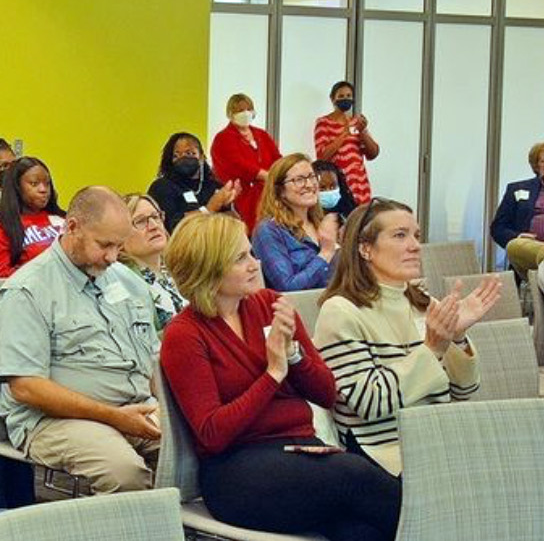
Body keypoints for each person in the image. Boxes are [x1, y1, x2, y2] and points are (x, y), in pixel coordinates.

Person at [160, 212, 401, 540]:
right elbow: (213, 433)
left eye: (251, 253)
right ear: (209, 269)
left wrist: (293, 356)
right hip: (237, 470)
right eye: (241, 258)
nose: (255, 264)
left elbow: (327, 393)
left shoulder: (271, 305)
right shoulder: (185, 335)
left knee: (361, 531)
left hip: (303, 452)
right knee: (357, 475)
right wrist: (273, 374)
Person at [0, 186, 160, 494]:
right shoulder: (27, 291)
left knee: (203, 449)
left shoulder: (128, 282)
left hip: (135, 407)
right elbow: (26, 387)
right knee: (125, 474)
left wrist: (170, 410)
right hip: (54, 420)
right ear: (72, 227)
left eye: (119, 246)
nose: (111, 257)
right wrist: (115, 417)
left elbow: (154, 360)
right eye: (103, 244)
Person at [315, 198, 499, 476]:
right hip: (382, 457)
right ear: (365, 248)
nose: (415, 246)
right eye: (400, 236)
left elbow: (464, 392)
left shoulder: (423, 301)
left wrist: (458, 338)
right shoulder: (340, 311)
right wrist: (433, 349)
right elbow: (369, 403)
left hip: (439, 442)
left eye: (416, 236)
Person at [252, 154, 338, 292]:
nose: (310, 185)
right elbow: (287, 287)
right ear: (280, 191)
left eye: (311, 176)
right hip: (298, 311)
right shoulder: (269, 230)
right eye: (299, 180)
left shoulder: (323, 223)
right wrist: (326, 253)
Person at [0, 156, 65, 278]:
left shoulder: (62, 220)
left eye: (47, 183)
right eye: (34, 184)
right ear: (16, 187)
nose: (43, 189)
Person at [211, 93, 281, 232]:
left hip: (269, 194)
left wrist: (281, 174)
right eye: (240, 110)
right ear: (230, 114)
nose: (245, 113)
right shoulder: (223, 138)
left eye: (248, 109)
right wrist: (266, 176)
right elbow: (238, 164)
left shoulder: (262, 134)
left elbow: (277, 157)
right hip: (242, 197)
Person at [146, 132, 239, 235]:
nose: (183, 158)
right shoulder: (162, 187)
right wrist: (209, 209)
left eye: (189, 153)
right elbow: (174, 226)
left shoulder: (215, 186)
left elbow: (234, 223)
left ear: (202, 157)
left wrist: (231, 205)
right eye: (176, 156)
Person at [120, 194, 186, 333]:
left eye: (155, 217)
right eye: (141, 221)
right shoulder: (124, 284)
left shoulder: (180, 270)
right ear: (120, 236)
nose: (154, 226)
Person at [314, 81, 378, 206]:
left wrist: (363, 131)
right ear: (333, 99)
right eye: (341, 96)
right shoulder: (323, 122)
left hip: (359, 183)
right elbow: (322, 156)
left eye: (349, 96)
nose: (346, 99)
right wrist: (344, 133)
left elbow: (373, 154)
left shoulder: (356, 122)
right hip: (337, 183)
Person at [489, 141, 544, 277]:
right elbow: (498, 228)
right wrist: (517, 237)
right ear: (537, 166)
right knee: (516, 245)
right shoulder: (517, 189)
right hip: (527, 254)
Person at [312, 159, 358, 224]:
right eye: (322, 188)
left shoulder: (350, 211)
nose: (329, 191)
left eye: (333, 187)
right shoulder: (308, 219)